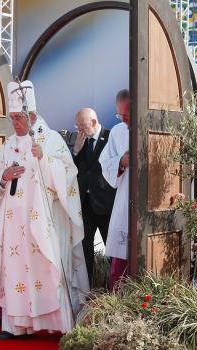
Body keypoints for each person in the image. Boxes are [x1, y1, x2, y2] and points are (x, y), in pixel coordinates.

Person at [0, 80, 89, 339]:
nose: (15, 123)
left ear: (32, 115)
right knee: (16, 271)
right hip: (13, 224)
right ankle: (16, 326)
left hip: (43, 221)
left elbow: (69, 174)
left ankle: (62, 325)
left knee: (47, 267)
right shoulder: (9, 144)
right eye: (12, 118)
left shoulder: (51, 139)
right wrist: (3, 176)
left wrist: (45, 159)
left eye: (19, 118)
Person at [71, 108, 116, 286]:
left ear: (94, 122)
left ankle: (116, 289)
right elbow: (72, 170)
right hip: (86, 204)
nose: (80, 130)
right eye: (77, 126)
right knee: (85, 249)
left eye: (83, 126)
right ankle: (86, 290)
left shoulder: (110, 137)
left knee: (111, 249)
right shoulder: (80, 141)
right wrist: (75, 151)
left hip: (106, 204)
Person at [99, 90, 130, 290]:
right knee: (121, 258)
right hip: (125, 199)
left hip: (147, 200)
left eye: (127, 115)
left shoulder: (152, 127)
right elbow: (104, 162)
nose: (124, 119)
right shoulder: (118, 132)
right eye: (120, 115)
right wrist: (121, 161)